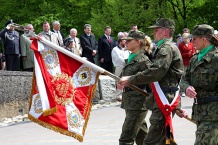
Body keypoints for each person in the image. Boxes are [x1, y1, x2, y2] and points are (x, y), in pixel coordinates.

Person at [118, 18, 184, 145]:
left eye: (156, 30)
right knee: (162, 138)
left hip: (164, 98)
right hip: (161, 98)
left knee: (152, 141)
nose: (153, 33)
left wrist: (131, 79)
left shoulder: (166, 48)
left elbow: (156, 72)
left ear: (165, 32)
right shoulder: (163, 48)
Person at [180, 24, 218, 145]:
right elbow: (184, 80)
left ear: (204, 39)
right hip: (199, 112)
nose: (192, 41)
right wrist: (186, 88)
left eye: (194, 38)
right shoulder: (194, 59)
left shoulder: (216, 58)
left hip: (214, 113)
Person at [117, 30, 153, 145]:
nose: (125, 42)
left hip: (138, 103)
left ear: (137, 42)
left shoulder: (144, 60)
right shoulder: (130, 57)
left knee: (126, 139)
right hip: (130, 102)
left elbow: (152, 79)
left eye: (129, 40)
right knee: (142, 137)